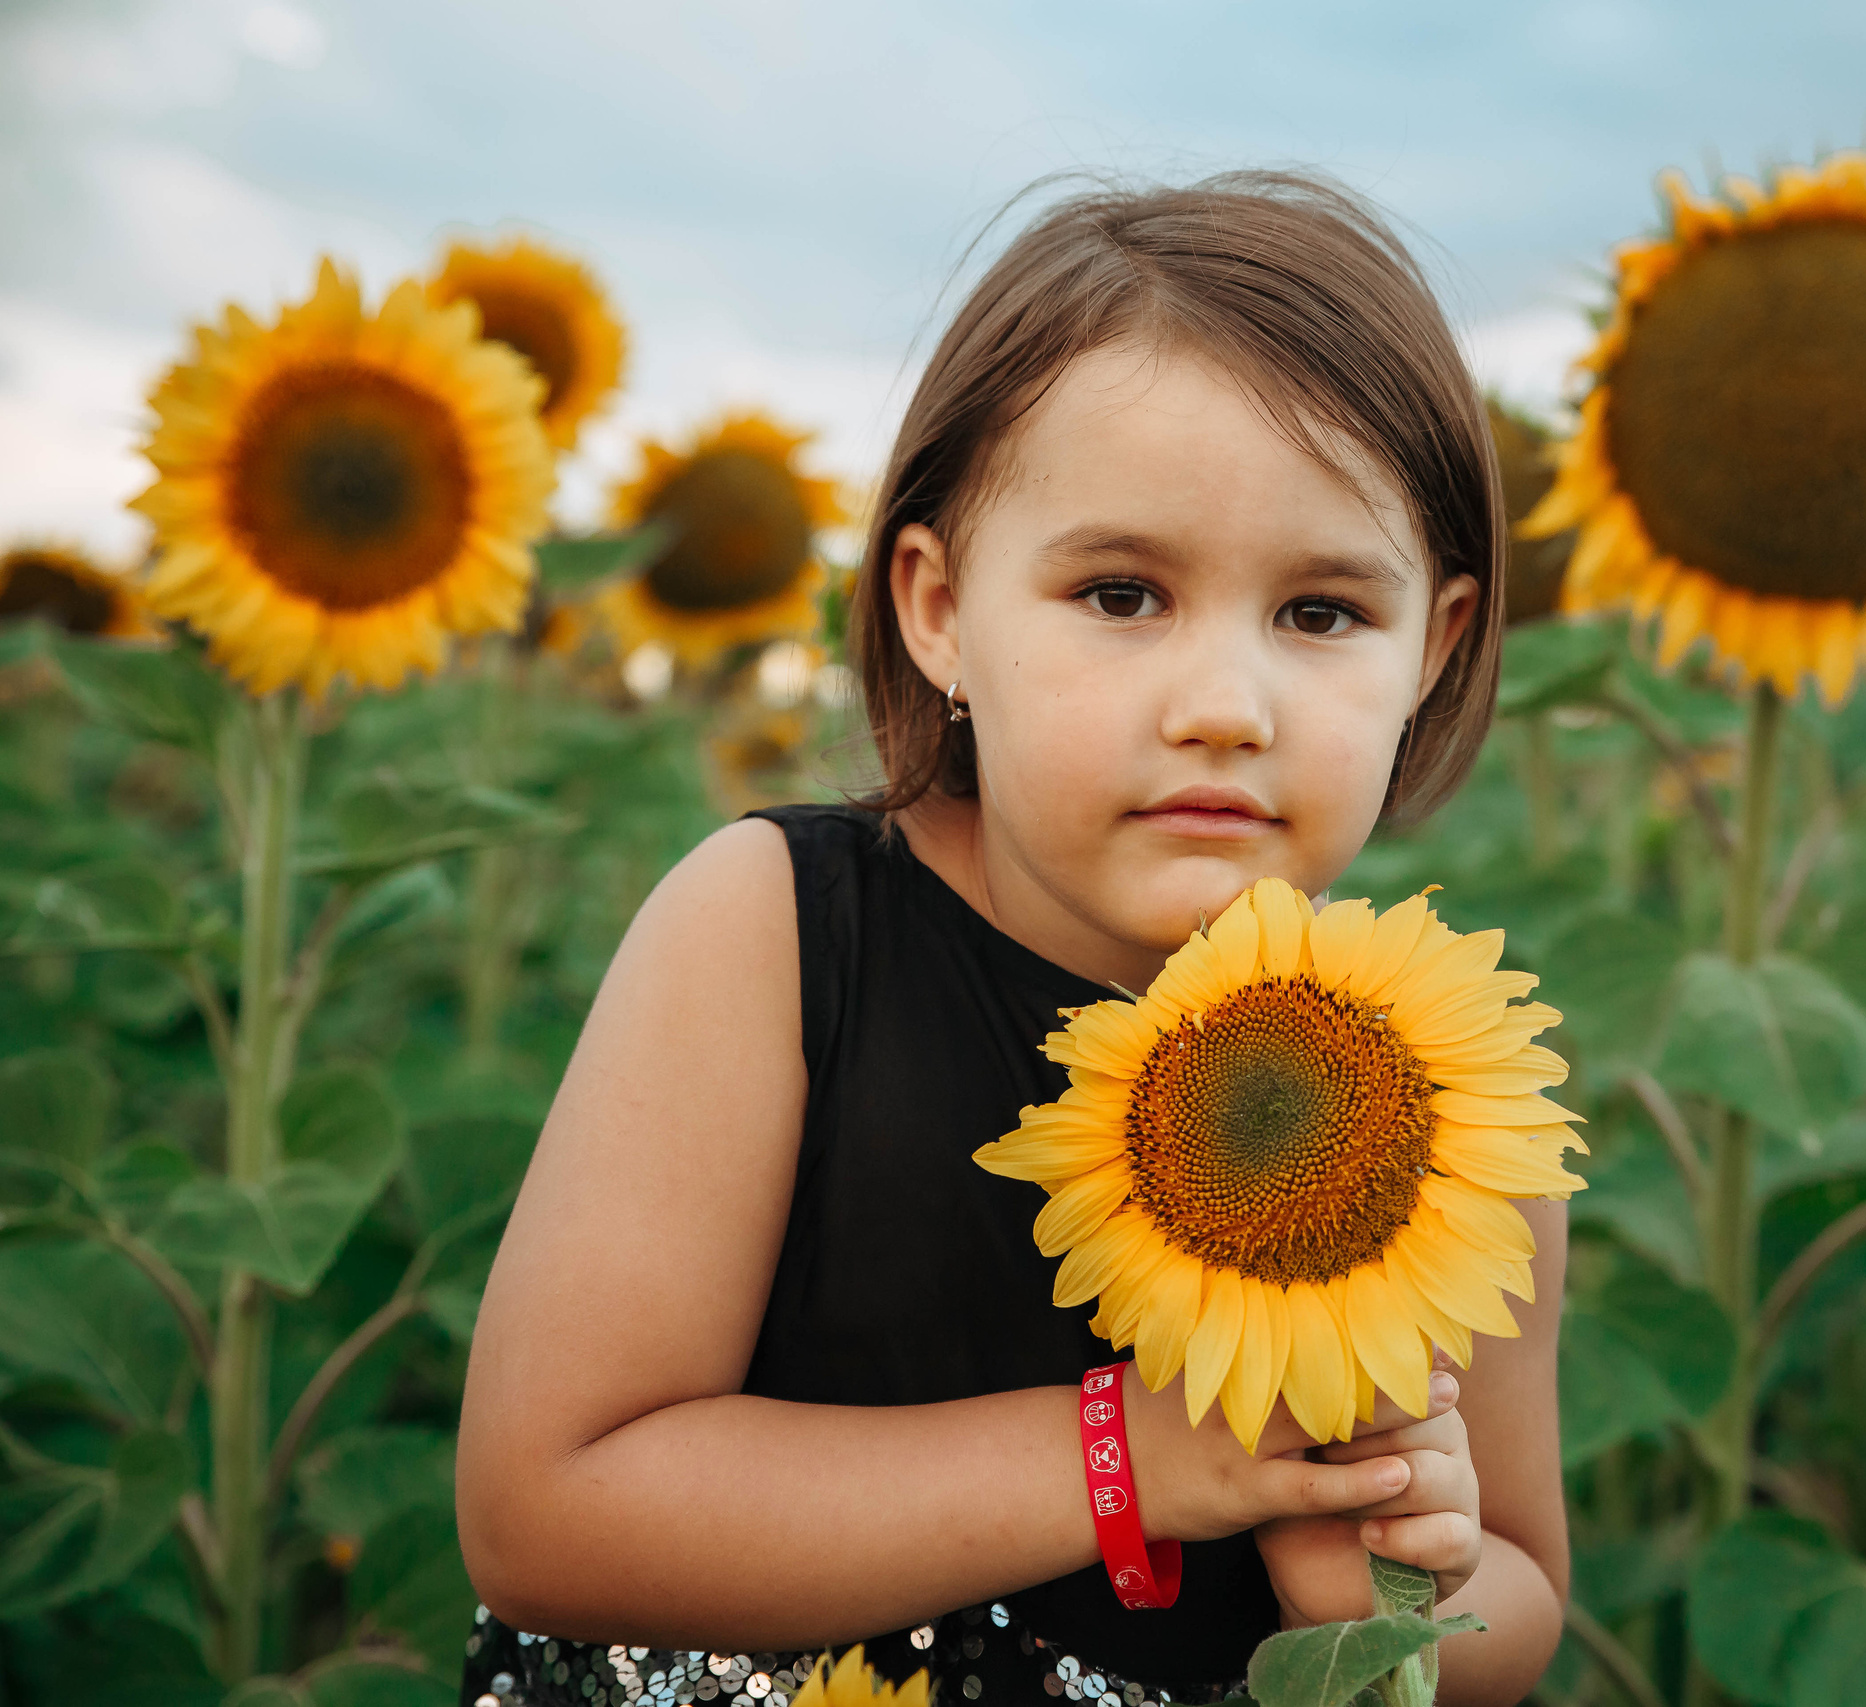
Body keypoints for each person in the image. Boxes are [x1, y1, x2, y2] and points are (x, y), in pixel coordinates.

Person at [456, 171, 1567, 1707]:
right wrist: (1130, 1468)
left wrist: (1387, 1575)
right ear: (938, 609)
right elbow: (544, 1512)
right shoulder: (774, 934)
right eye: (1122, 594)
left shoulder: (1448, 1091)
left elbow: (1522, 1602)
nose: (1225, 707)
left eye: (1321, 615)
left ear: (1433, 650)